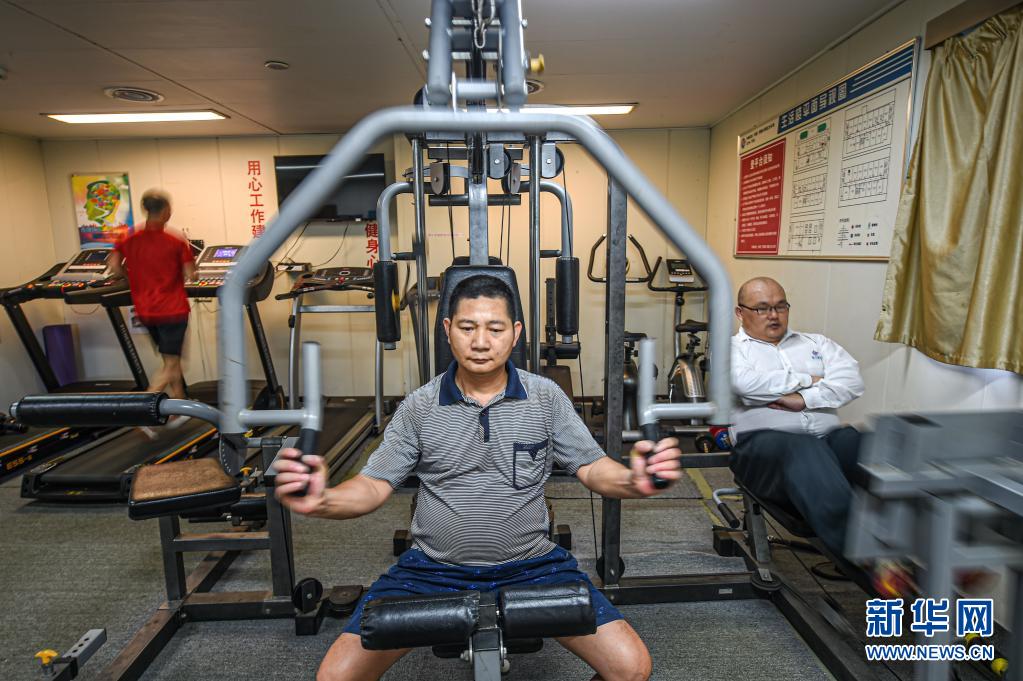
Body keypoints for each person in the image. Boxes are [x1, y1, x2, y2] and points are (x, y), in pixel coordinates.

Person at [274, 275, 683, 681]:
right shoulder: (419, 406)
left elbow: (593, 467)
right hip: (432, 569)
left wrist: (633, 479)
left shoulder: (545, 397)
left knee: (630, 668)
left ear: (515, 333)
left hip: (533, 565)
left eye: (495, 329)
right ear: (448, 330)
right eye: (468, 328)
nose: (481, 342)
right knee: (336, 677)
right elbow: (372, 485)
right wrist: (324, 499)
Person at [727, 276, 865, 557]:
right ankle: (861, 553)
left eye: (781, 306)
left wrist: (804, 399)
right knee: (803, 446)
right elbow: (746, 385)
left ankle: (920, 539)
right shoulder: (730, 349)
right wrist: (810, 379)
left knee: (861, 442)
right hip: (761, 450)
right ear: (740, 313)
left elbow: (851, 382)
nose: (774, 315)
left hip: (826, 443)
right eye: (762, 308)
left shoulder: (817, 343)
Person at [107, 190, 196, 416]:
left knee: (170, 359)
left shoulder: (129, 238)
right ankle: (142, 412)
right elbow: (191, 274)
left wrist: (132, 278)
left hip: (146, 311)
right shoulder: (176, 240)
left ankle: (180, 407)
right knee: (171, 365)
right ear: (166, 211)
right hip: (173, 310)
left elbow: (114, 266)